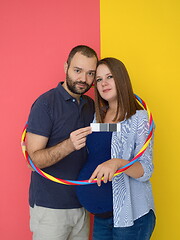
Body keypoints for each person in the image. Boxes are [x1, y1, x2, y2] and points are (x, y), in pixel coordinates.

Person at [77, 57, 156, 240]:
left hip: (130, 218)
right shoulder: (98, 118)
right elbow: (97, 152)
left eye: (109, 77)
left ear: (120, 79)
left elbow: (146, 170)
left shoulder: (139, 119)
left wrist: (118, 163)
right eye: (98, 79)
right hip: (102, 218)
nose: (103, 83)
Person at [26, 45, 98, 240]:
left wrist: (133, 125)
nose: (84, 79)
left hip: (82, 206)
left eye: (90, 73)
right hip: (50, 208)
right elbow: (33, 161)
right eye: (78, 70)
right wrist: (69, 145)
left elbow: (109, 131)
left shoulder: (90, 105)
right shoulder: (45, 104)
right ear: (66, 67)